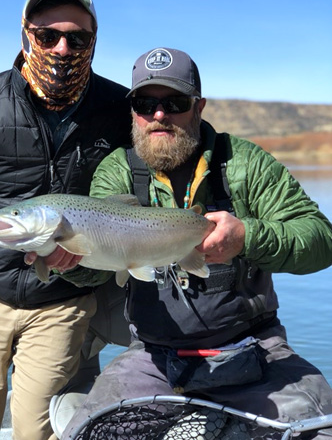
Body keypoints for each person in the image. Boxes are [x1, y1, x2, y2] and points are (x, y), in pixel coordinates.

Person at [61, 47, 332, 439]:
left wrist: (248, 237)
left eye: (175, 102)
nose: (159, 115)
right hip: (151, 357)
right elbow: (91, 272)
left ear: (198, 106)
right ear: (132, 110)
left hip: (256, 348)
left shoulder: (245, 164)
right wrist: (65, 258)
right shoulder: (117, 171)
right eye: (144, 103)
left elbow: (321, 238)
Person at [0, 0, 132, 440]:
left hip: (64, 300)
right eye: (47, 36)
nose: (62, 48)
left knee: (42, 431)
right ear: (25, 37)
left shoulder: (119, 110)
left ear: (93, 42)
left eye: (77, 38)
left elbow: (165, 150)